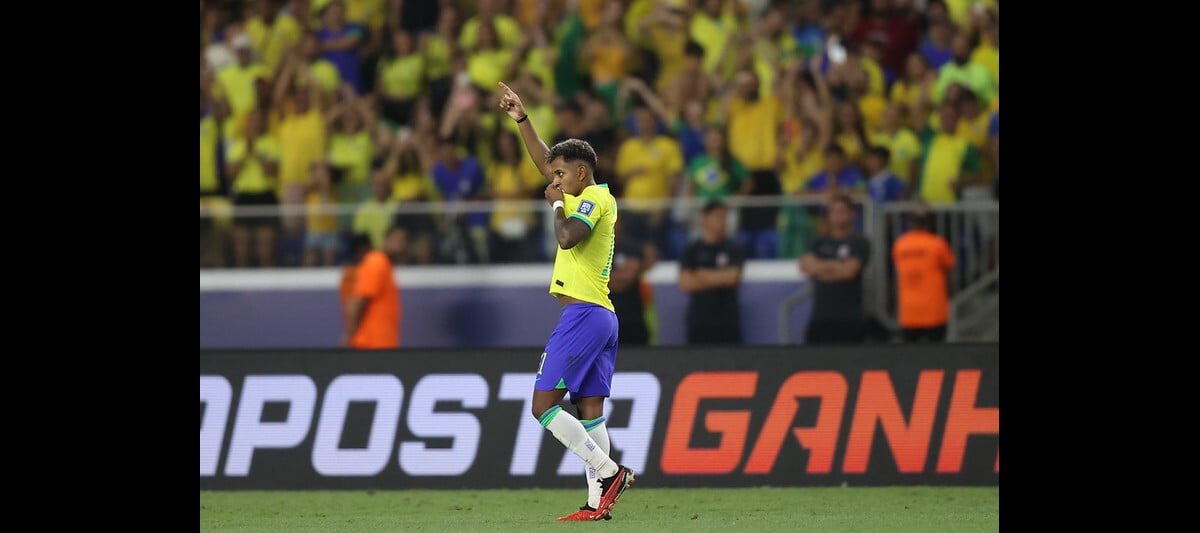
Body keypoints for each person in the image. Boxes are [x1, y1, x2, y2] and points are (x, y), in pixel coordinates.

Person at [497, 80, 635, 522]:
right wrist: (522, 118)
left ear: (580, 172)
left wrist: (556, 206)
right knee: (590, 411)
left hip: (584, 315)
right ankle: (599, 504)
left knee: (542, 406)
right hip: (601, 315)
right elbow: (542, 159)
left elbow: (568, 236)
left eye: (559, 174)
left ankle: (609, 472)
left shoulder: (593, 200)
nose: (551, 180)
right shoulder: (583, 192)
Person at [799, 193, 871, 345]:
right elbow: (806, 268)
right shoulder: (818, 241)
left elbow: (849, 272)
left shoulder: (859, 242)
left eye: (842, 211)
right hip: (821, 318)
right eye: (833, 211)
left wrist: (820, 268)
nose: (837, 215)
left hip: (850, 318)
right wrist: (838, 266)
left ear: (851, 214)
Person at [678, 201, 746, 345]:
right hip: (699, 321)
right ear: (705, 218)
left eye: (725, 217)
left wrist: (701, 275)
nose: (723, 221)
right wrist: (720, 278)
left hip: (728, 321)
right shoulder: (692, 249)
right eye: (718, 217)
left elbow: (733, 278)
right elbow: (685, 284)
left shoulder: (734, 247)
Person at [892, 206, 955, 342]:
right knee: (936, 358)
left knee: (910, 358)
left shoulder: (900, 244)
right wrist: (950, 296)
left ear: (910, 222)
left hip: (909, 311)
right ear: (929, 223)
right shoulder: (938, 244)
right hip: (934, 311)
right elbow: (949, 272)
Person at [340, 232, 401, 349]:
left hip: (380, 344)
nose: (401, 245)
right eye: (397, 239)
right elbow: (355, 303)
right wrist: (349, 336)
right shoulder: (376, 261)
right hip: (372, 345)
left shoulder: (380, 264)